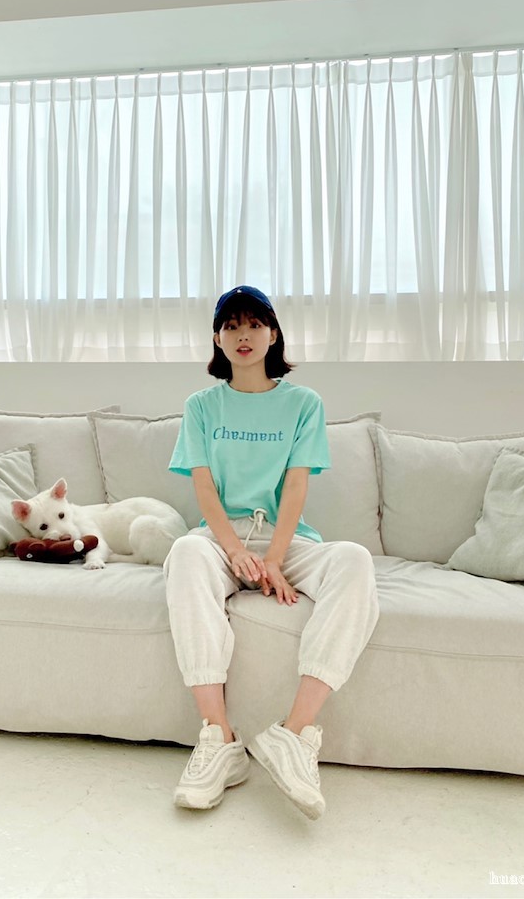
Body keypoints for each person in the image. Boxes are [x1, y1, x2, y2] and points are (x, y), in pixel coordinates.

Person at [163, 285, 380, 820]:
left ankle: (294, 735)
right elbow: (204, 489)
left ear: (274, 333)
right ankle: (219, 740)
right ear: (217, 338)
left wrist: (275, 560)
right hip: (221, 539)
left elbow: (297, 486)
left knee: (353, 560)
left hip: (286, 537)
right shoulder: (201, 406)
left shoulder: (303, 403)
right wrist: (234, 550)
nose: (244, 335)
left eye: (255, 324)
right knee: (185, 554)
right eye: (232, 325)